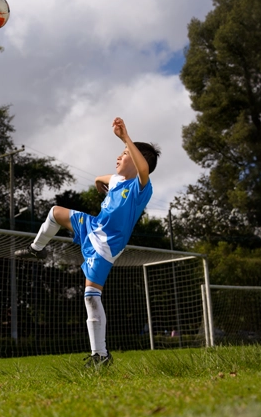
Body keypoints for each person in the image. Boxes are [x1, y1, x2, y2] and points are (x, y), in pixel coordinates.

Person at [15, 117, 160, 368]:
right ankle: (36, 249)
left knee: (91, 297)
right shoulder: (116, 180)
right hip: (93, 226)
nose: (118, 157)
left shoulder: (141, 187)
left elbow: (143, 169)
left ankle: (100, 355)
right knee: (55, 212)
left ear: (138, 162)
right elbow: (102, 178)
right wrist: (97, 181)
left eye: (125, 154)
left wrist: (126, 137)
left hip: (106, 245)